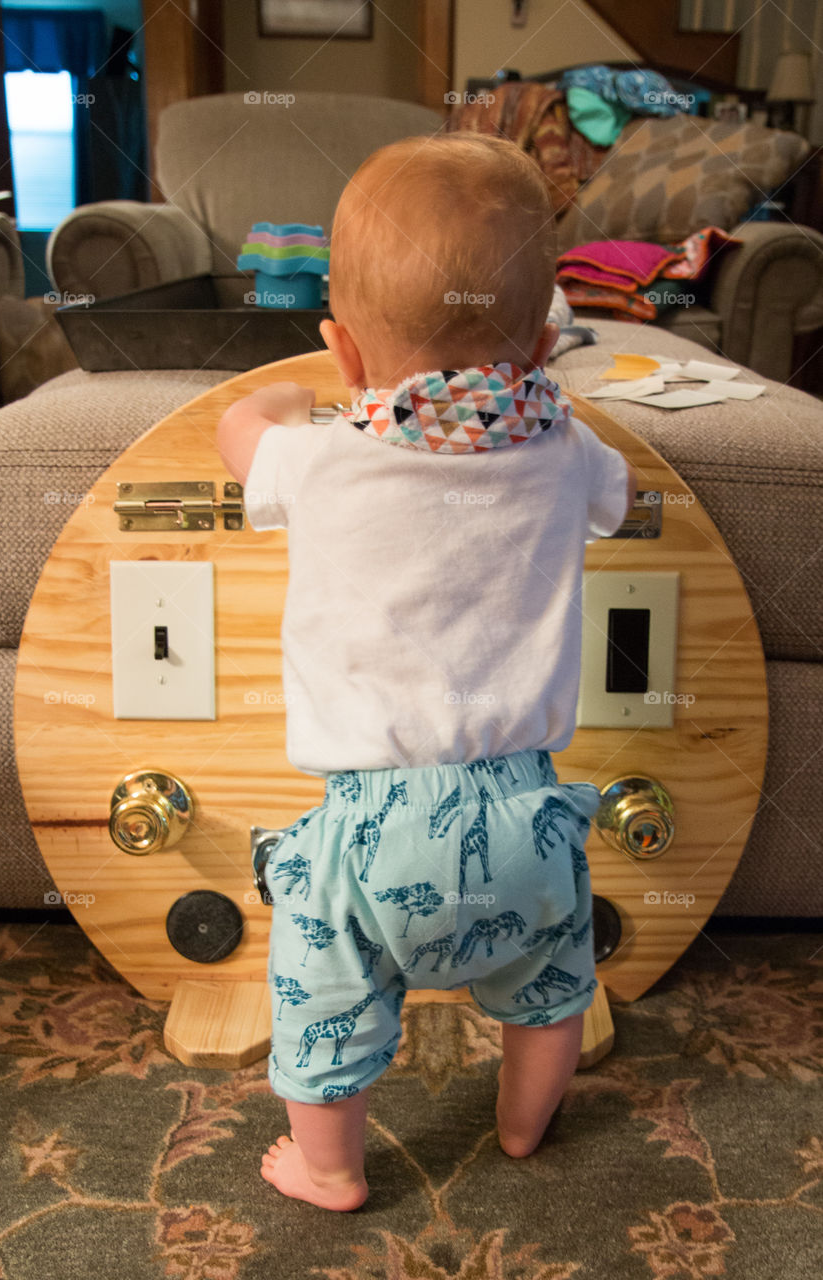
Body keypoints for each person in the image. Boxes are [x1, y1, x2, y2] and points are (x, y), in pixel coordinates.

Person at [217, 132, 637, 1212]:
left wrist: (274, 407)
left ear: (344, 352)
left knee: (321, 994)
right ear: (544, 343)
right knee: (548, 993)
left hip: (368, 832)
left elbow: (239, 431)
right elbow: (618, 498)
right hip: (530, 812)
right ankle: (519, 1121)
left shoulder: (321, 457)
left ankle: (330, 1165)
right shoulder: (563, 446)